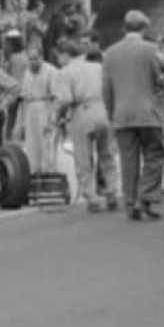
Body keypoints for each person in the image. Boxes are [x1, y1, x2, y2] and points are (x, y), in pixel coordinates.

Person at [102, 10, 164, 222]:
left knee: (128, 160)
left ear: (125, 28)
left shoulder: (110, 53)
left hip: (122, 114)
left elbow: (106, 89)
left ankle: (130, 203)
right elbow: (162, 76)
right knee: (154, 155)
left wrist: (112, 113)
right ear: (144, 28)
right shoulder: (151, 49)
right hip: (148, 112)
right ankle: (145, 196)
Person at [52, 38, 116, 213]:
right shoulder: (98, 67)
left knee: (83, 158)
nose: (58, 60)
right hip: (103, 109)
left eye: (59, 56)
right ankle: (112, 192)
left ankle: (92, 196)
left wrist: (57, 117)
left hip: (82, 111)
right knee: (107, 155)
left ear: (65, 54)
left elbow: (65, 99)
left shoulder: (65, 72)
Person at [17, 35, 59, 172]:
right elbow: (23, 98)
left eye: (35, 59)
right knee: (31, 142)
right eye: (30, 59)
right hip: (30, 109)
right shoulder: (27, 73)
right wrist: (21, 122)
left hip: (44, 107)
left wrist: (52, 117)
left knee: (46, 143)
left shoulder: (51, 71)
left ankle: (49, 172)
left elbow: (55, 96)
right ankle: (34, 170)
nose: (32, 62)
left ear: (41, 57)